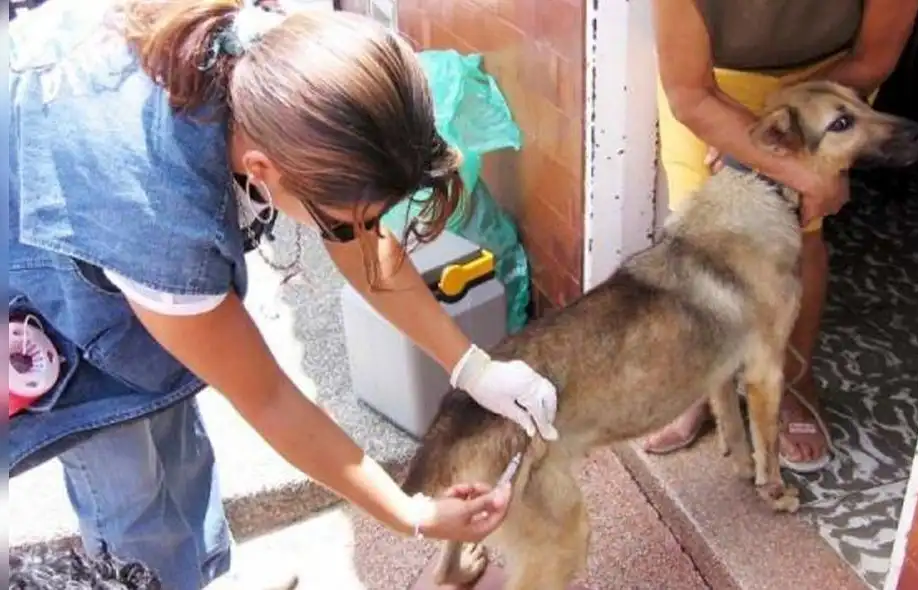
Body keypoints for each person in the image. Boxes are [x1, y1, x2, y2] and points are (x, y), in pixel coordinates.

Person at [8, 1, 560, 589]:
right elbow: (270, 399)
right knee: (130, 488)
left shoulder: (281, 66)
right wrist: (413, 514)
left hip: (84, 170)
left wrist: (472, 366)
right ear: (261, 168)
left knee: (177, 445)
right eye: (346, 220)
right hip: (32, 252)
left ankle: (199, 574)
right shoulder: (156, 216)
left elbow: (358, 238)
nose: (363, 233)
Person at [646, 0, 918, 471]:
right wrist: (746, 133)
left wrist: (782, 136)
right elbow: (690, 95)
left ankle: (794, 381)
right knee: (700, 243)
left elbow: (873, 57)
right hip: (713, 86)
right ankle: (697, 382)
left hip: (831, 83)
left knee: (800, 239)